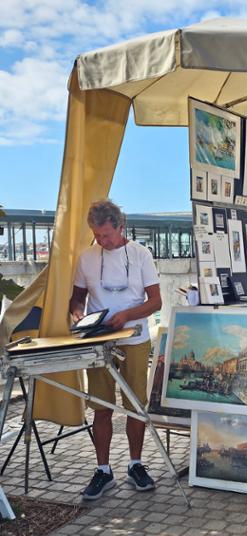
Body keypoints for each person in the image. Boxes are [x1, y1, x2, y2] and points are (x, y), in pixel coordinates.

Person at [70, 199, 162, 500]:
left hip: (134, 339)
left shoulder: (140, 254)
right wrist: (76, 314)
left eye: (106, 235)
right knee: (101, 406)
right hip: (100, 341)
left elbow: (156, 302)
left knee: (135, 404)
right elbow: (78, 297)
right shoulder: (86, 257)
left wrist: (127, 315)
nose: (101, 241)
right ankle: (103, 470)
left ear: (121, 227)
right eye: (96, 235)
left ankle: (135, 464)